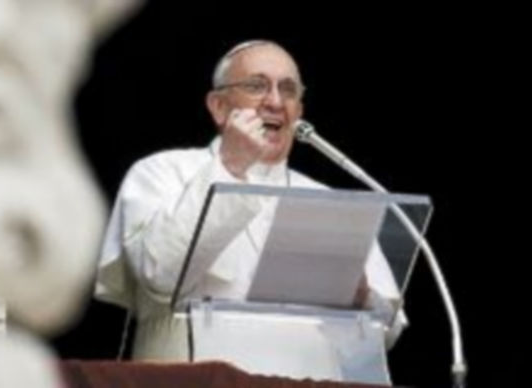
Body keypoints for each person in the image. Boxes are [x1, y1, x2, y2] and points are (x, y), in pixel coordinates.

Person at [94, 40, 405, 382]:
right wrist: (231, 164)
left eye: (288, 90)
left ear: (299, 111)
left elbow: (386, 333)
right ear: (219, 106)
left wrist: (360, 299)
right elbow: (161, 275)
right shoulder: (162, 173)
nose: (274, 101)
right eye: (257, 86)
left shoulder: (324, 199)